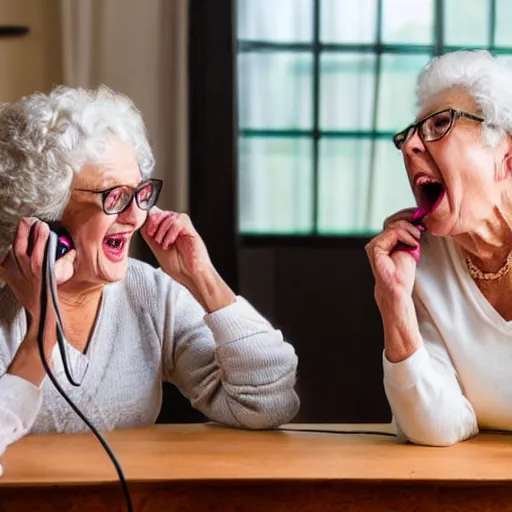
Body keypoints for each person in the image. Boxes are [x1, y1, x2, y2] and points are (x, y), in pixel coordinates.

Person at [0, 86, 299, 465]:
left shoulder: (152, 294)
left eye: (140, 193)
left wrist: (202, 278)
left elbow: (268, 405)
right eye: (114, 197)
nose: (133, 216)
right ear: (46, 211)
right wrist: (41, 333)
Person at [365, 50, 512, 446]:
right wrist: (396, 304)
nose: (409, 146)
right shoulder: (421, 264)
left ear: (506, 159)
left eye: (440, 124)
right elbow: (435, 426)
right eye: (410, 133)